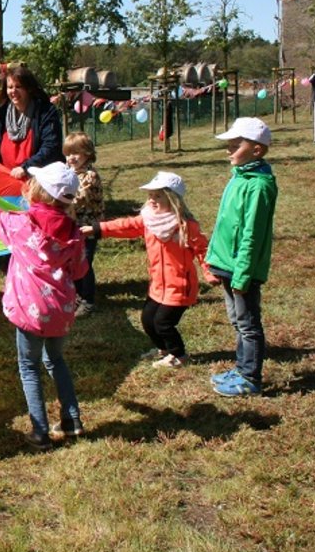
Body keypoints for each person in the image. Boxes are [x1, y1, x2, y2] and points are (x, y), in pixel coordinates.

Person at [0, 162, 88, 449]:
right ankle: (72, 420)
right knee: (56, 360)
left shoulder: (21, 224)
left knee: (29, 367)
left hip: (30, 314)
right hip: (60, 313)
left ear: (37, 191)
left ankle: (40, 432)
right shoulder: (75, 232)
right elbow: (81, 271)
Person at [81, 172, 208, 368]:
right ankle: (164, 350)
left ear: (173, 199)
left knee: (163, 323)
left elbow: (203, 249)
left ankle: (179, 355)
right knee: (148, 320)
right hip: (158, 284)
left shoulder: (185, 225)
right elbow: (126, 226)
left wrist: (209, 271)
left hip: (180, 286)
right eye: (150, 196)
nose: (152, 200)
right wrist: (97, 229)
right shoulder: (149, 220)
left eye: (158, 196)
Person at [204, 118, 277, 397]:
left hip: (240, 270)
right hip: (226, 264)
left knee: (248, 324)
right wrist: (214, 258)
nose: (229, 150)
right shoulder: (240, 177)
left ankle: (250, 377)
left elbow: (252, 235)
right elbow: (226, 223)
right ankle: (241, 367)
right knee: (237, 320)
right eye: (229, 145)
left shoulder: (258, 186)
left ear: (257, 150)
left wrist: (243, 274)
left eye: (236, 145)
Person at [0, 63, 64, 181]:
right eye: (10, 87)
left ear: (28, 88)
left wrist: (25, 168)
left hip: (39, 184)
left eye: (18, 86)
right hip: (7, 182)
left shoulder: (46, 113)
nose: (13, 91)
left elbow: (51, 147)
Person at [64, 132, 103, 316]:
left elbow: (80, 199)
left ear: (87, 153)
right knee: (73, 261)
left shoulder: (90, 176)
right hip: (74, 228)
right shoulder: (68, 172)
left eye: (76, 153)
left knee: (85, 262)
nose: (71, 158)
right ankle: (77, 294)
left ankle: (88, 300)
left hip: (88, 229)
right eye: (68, 153)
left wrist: (58, 199)